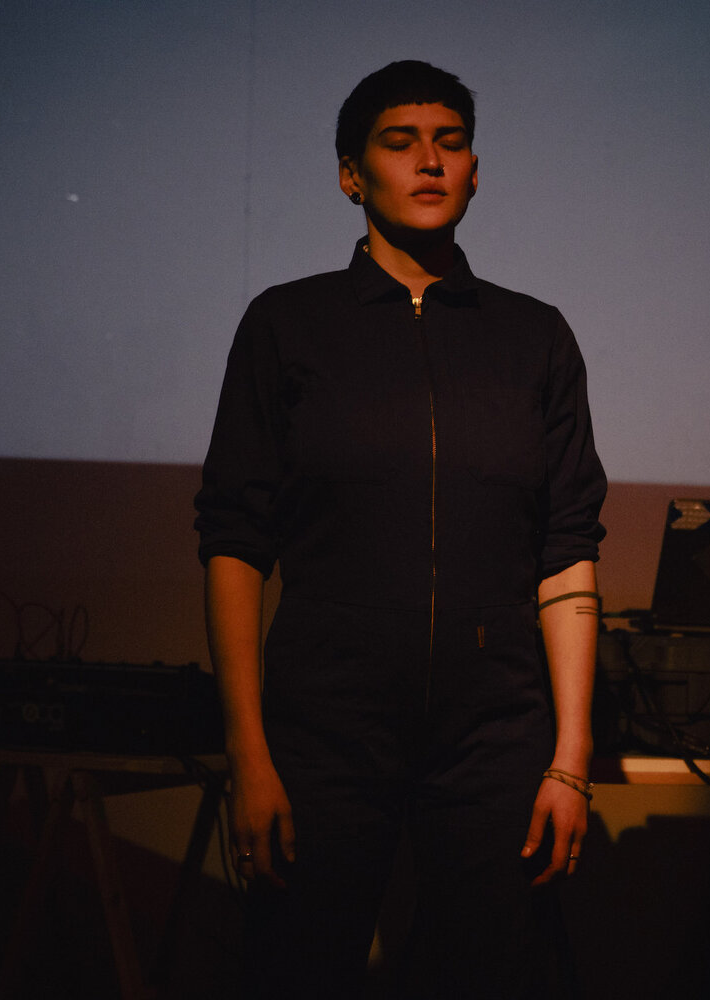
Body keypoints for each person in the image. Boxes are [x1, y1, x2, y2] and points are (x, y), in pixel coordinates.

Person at [194, 60, 607, 998]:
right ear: (352, 175)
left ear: (475, 172)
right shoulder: (288, 325)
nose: (430, 161)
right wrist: (248, 752)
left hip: (494, 731)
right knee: (299, 968)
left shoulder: (534, 337)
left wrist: (570, 760)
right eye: (400, 142)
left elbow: (567, 546)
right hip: (325, 728)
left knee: (492, 972)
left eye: (450, 143)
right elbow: (234, 538)